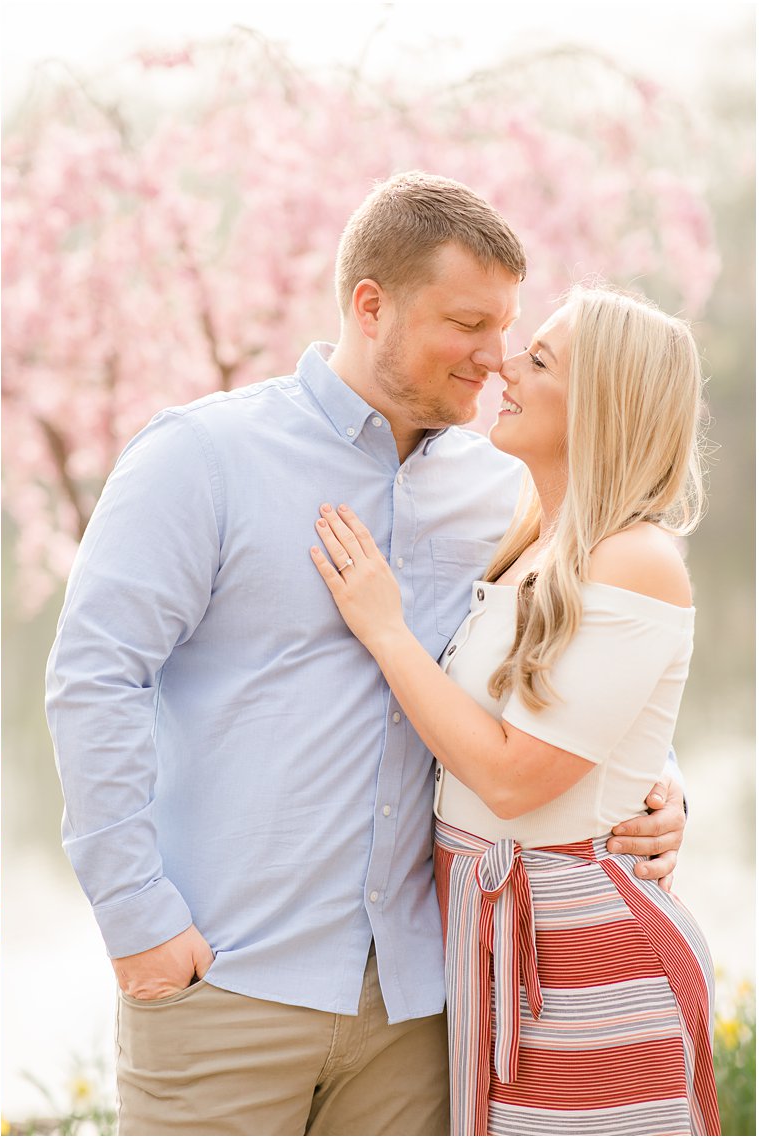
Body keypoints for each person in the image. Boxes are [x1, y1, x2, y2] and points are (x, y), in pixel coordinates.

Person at [45, 173, 688, 1136]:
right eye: (468, 322)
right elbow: (95, 678)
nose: (495, 355)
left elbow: (568, 656)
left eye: (507, 327)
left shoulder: (500, 490)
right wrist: (140, 927)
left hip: (423, 1009)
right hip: (227, 981)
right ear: (371, 303)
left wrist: (659, 781)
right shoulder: (203, 455)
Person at [309, 286, 716, 1135]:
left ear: (601, 399)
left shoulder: (636, 558)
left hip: (583, 952)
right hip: (499, 936)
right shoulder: (536, 537)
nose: (504, 364)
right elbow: (598, 724)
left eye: (540, 359)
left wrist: (387, 632)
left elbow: (510, 774)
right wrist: (661, 774)